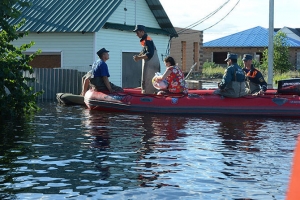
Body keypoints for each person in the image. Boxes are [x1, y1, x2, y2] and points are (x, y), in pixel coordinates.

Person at [133, 25, 160, 94]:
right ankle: (146, 92)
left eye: (137, 32)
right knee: (146, 80)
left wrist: (139, 58)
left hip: (152, 65)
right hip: (150, 64)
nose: (136, 34)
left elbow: (149, 54)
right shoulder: (145, 40)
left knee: (149, 81)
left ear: (142, 32)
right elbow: (144, 51)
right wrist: (139, 55)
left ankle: (148, 95)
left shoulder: (148, 40)